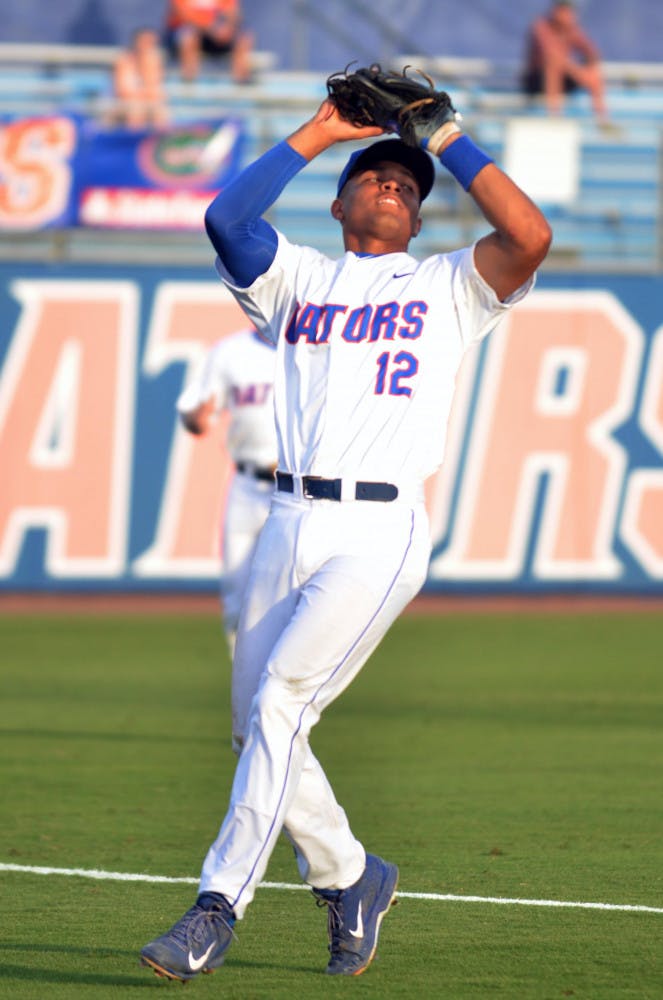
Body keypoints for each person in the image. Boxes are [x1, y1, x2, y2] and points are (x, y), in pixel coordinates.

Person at [140, 86, 551, 983]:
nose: (395, 187)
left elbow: (528, 239)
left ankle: (216, 907)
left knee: (282, 700)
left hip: (378, 526)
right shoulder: (297, 277)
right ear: (338, 199)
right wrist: (325, 131)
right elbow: (226, 216)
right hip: (283, 519)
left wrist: (442, 138)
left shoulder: (445, 284)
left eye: (410, 184)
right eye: (377, 176)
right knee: (258, 728)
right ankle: (351, 875)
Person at [176, 327, 277, 671]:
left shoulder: (318, 345)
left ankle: (281, 687)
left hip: (297, 492)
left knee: (289, 597)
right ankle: (244, 685)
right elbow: (195, 411)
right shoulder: (231, 352)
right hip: (248, 484)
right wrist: (196, 420)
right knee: (236, 597)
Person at [521, 0, 608, 121]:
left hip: (564, 77)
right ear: (555, 11)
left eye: (569, 11)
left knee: (593, 72)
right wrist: (579, 73)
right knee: (554, 65)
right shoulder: (541, 26)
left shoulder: (573, 30)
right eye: (562, 10)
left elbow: (592, 52)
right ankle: (554, 117)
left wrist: (589, 65)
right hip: (536, 80)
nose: (566, 14)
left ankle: (602, 120)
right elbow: (551, 55)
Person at [163, 0, 254, 83]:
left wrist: (227, 28)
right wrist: (210, 28)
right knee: (188, 37)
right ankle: (189, 81)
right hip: (187, 32)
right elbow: (184, 15)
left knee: (244, 38)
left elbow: (233, 13)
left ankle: (241, 81)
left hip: (215, 35)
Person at [111, 27, 168, 129]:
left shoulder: (154, 61)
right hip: (127, 104)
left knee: (161, 113)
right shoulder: (124, 61)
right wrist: (144, 95)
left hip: (148, 102)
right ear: (136, 42)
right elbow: (123, 92)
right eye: (145, 42)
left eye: (151, 43)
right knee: (136, 112)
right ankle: (133, 143)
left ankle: (159, 142)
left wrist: (145, 66)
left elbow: (156, 92)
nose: (147, 46)